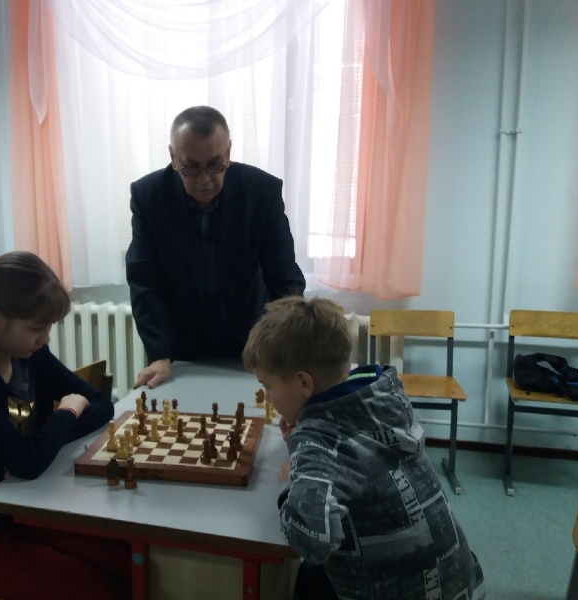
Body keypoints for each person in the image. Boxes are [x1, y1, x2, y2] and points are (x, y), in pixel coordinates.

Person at [242, 297, 486, 600]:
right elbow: (351, 456)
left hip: (404, 592)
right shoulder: (383, 398)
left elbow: (311, 542)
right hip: (460, 581)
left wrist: (292, 479)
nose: (267, 396)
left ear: (304, 382)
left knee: (306, 574)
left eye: (267, 386)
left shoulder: (319, 442)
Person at [0, 251, 131, 600]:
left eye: (49, 327)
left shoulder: (29, 355)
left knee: (132, 563)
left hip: (26, 511)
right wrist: (64, 416)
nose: (46, 338)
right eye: (37, 327)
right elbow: (28, 461)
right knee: (96, 590)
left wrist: (45, 438)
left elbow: (99, 405)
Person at [126, 105, 306, 389]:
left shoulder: (261, 192)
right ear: (173, 158)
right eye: (191, 167)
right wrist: (160, 354)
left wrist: (282, 346)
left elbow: (284, 277)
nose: (204, 178)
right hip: (181, 346)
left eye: (214, 164)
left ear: (228, 153)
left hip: (251, 339)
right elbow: (145, 282)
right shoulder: (149, 197)